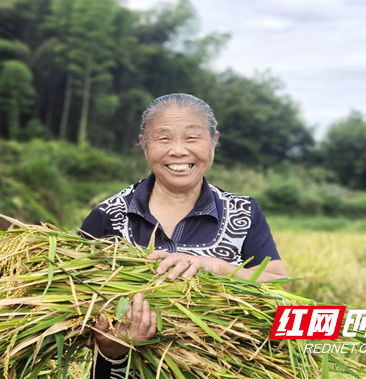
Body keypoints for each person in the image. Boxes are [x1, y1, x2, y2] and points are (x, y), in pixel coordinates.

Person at [80, 93, 289, 378]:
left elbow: (282, 291)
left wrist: (217, 268)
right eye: (163, 139)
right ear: (144, 144)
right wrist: (113, 346)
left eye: (192, 138)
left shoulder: (243, 212)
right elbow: (74, 312)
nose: (178, 151)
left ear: (214, 140)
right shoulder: (108, 217)